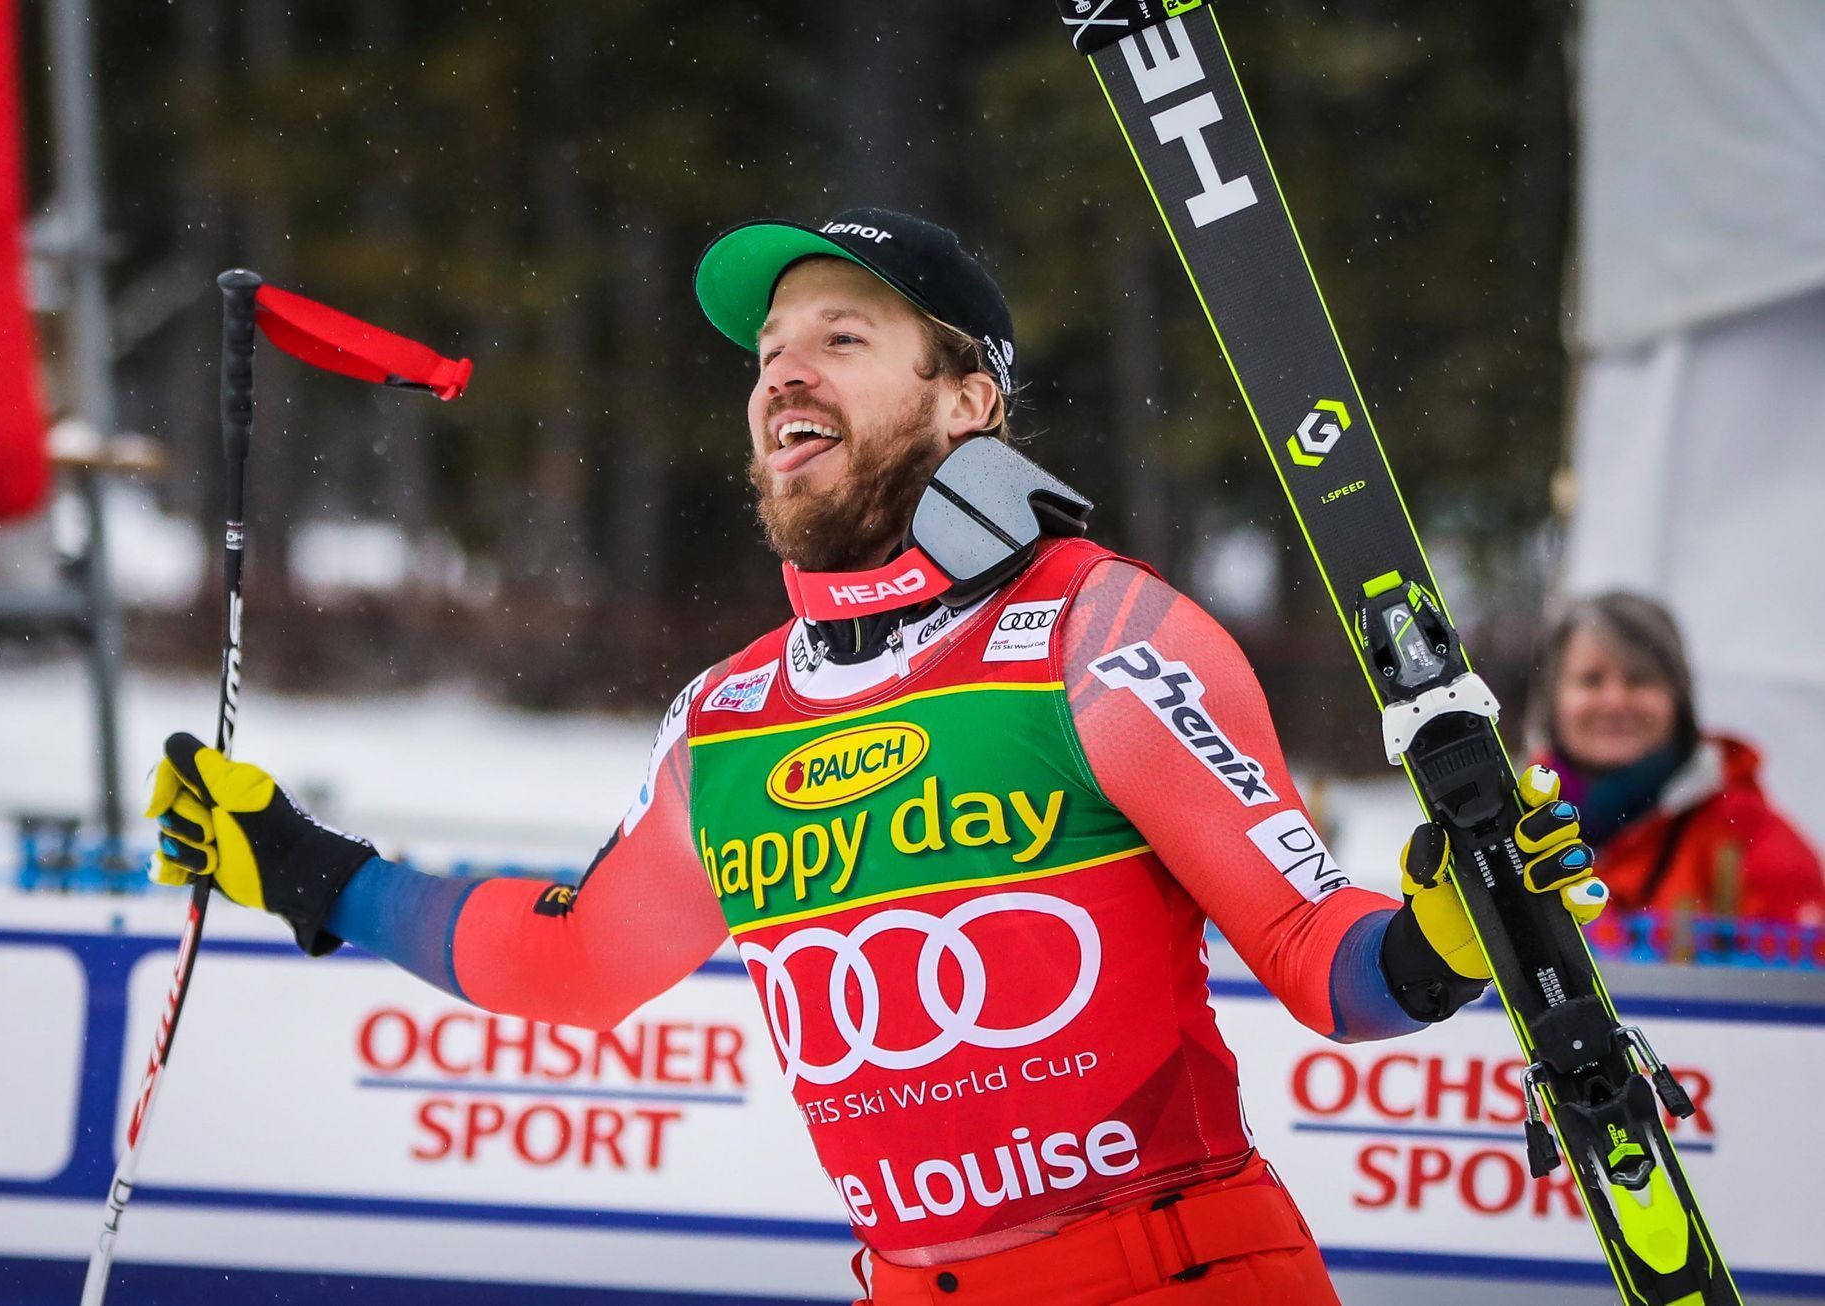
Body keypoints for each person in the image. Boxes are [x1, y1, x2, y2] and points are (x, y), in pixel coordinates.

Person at [147, 208, 1604, 1305]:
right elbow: (575, 963)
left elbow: (1316, 954)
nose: (783, 376)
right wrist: (308, 868)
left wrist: (1437, 933)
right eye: (769, 355)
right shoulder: (730, 715)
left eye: (841, 339)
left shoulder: (1096, 636)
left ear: (968, 398)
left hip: (1176, 1276)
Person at [1532, 591, 1824, 927]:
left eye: (1639, 679)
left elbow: (1802, 974)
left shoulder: (1751, 840)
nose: (1614, 701)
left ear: (1679, 699)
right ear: (1553, 698)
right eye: (1591, 680)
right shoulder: (1509, 826)